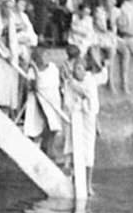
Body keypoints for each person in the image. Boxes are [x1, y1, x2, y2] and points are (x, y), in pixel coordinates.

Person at [63, 46, 105, 197]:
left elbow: (92, 103)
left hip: (88, 120)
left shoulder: (90, 81)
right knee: (74, 148)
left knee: (89, 153)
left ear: (85, 69)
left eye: (81, 68)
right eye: (76, 69)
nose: (78, 71)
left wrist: (97, 125)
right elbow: (68, 103)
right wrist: (77, 101)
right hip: (75, 119)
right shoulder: (70, 83)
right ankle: (75, 178)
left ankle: (88, 184)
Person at [22, 46, 64, 157]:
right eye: (44, 55)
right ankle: (38, 148)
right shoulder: (32, 70)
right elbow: (33, 86)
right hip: (38, 101)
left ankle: (49, 148)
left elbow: (56, 83)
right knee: (38, 124)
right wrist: (35, 69)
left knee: (53, 126)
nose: (47, 57)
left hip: (52, 99)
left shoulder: (53, 68)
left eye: (48, 54)